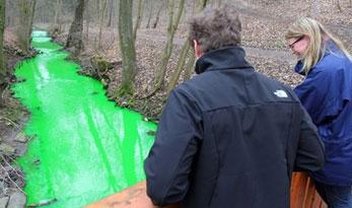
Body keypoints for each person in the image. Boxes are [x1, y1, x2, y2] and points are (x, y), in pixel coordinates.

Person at [144, 6, 325, 208]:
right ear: (236, 42)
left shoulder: (189, 98)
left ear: (196, 47)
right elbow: (314, 156)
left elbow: (163, 190)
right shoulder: (284, 94)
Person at [285, 17, 352, 207]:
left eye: (293, 46)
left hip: (336, 156)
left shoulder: (326, 72)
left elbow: (299, 112)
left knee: (341, 202)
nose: (293, 52)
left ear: (307, 38)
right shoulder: (339, 58)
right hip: (345, 150)